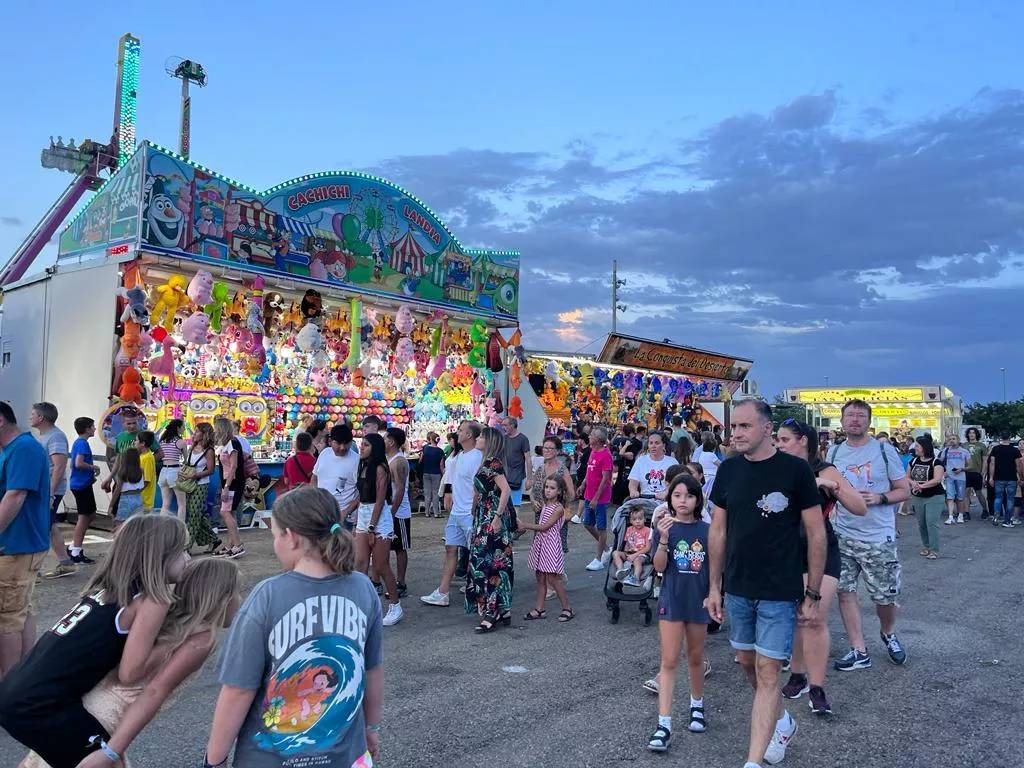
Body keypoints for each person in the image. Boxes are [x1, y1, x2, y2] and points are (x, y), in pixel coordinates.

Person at [204, 486, 383, 768]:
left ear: (292, 538)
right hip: (346, 757)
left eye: (275, 535)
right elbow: (371, 668)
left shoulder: (267, 596)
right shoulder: (363, 588)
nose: (274, 543)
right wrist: (371, 728)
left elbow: (238, 690)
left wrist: (213, 760)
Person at [0, 515, 188, 766]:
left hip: (17, 692)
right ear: (159, 555)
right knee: (109, 761)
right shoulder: (152, 600)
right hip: (38, 706)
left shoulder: (106, 591)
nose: (188, 559)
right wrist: (174, 643)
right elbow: (130, 673)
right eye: (182, 551)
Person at [704, 399, 826, 768]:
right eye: (733, 427)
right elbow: (718, 530)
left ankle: (753, 762)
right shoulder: (728, 470)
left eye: (744, 427)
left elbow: (816, 533)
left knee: (769, 671)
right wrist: (714, 587)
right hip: (738, 586)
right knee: (746, 661)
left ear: (766, 429)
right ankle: (781, 719)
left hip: (779, 588)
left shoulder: (795, 471)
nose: (736, 433)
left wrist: (813, 592)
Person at [44, 558, 240, 768]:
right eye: (236, 593)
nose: (240, 599)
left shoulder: (168, 620)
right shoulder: (200, 640)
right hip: (106, 718)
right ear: (221, 598)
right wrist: (111, 751)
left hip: (84, 707)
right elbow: (154, 691)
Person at [776, 419, 867, 716]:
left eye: (785, 439)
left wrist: (834, 487)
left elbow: (859, 507)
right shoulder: (776, 469)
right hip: (787, 551)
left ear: (803, 441)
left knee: (813, 618)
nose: (779, 444)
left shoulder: (825, 469)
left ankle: (817, 686)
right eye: (778, 439)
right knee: (797, 618)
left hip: (821, 549)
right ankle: (798, 675)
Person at [828, 399, 910, 671]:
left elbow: (904, 490)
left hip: (877, 536)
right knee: (844, 590)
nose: (854, 420)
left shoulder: (884, 451)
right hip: (842, 533)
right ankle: (858, 649)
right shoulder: (834, 451)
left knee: (885, 597)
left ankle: (888, 632)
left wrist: (880, 497)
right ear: (841, 421)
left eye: (860, 416)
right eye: (849, 415)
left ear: (869, 421)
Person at [647, 473, 712, 752]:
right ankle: (664, 724)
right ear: (670, 498)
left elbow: (715, 569)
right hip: (671, 600)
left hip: (698, 601)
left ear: (698, 499)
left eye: (688, 495)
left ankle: (696, 705)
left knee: (696, 657)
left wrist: (715, 596)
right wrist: (662, 538)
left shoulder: (708, 531)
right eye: (677, 495)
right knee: (669, 660)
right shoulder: (665, 528)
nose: (683, 500)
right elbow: (659, 567)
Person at [0, 402, 51, 677]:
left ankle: (7, 683)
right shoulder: (15, 448)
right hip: (18, 545)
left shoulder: (23, 449)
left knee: (7, 618)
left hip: (16, 545)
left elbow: (15, 496)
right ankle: (23, 676)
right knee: (20, 610)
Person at [421, 421, 483, 607]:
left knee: (475, 553)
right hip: (457, 512)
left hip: (469, 513)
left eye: (461, 430)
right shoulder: (459, 455)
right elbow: (452, 478)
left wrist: (474, 509)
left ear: (469, 435)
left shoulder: (477, 457)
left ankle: (479, 591)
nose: (458, 433)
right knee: (450, 548)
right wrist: (448, 494)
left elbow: (478, 487)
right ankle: (443, 592)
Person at [465, 427, 514, 632]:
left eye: (482, 437)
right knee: (484, 561)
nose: (478, 438)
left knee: (490, 564)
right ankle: (502, 609)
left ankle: (491, 611)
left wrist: (497, 516)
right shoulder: (486, 462)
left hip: (491, 520)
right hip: (483, 518)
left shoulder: (493, 462)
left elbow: (506, 490)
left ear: (490, 441)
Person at [355, 433, 402, 626]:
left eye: (366, 445)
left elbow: (381, 499)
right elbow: (361, 496)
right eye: (361, 445)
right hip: (364, 514)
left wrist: (372, 527)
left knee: (381, 565)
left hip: (379, 517)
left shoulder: (381, 468)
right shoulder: (362, 466)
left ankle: (395, 605)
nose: (361, 448)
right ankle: (361, 606)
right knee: (360, 563)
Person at [29, 403, 75, 581]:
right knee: (49, 526)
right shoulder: (44, 436)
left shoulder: (55, 437)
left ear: (41, 418)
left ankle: (33, 570)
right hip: (45, 489)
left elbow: (59, 465)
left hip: (50, 491)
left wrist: (50, 494)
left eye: (33, 414)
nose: (30, 417)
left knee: (40, 527)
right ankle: (66, 564)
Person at [520, 473, 573, 623]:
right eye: (546, 487)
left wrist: (525, 525)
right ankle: (540, 608)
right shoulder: (546, 505)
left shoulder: (558, 508)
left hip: (550, 544)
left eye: (552, 488)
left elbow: (544, 527)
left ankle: (567, 607)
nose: (548, 490)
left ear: (559, 491)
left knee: (553, 579)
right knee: (540, 577)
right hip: (541, 543)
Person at [530, 435, 576, 559]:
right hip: (540, 516)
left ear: (558, 451)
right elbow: (532, 492)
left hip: (556, 518)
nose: (547, 450)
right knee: (540, 553)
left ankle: (558, 577)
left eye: (551, 448)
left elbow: (572, 495)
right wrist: (533, 501)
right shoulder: (540, 469)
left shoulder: (562, 470)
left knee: (553, 555)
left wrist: (556, 501)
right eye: (545, 448)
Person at [180, 422, 220, 555]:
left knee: (194, 515)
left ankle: (187, 546)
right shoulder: (193, 447)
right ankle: (213, 539)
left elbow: (211, 470)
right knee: (195, 514)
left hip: (201, 484)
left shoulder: (209, 451)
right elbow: (188, 464)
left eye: (197, 431)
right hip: (189, 483)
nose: (194, 434)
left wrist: (196, 475)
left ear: (204, 434)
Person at [905, 435, 946, 559]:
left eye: (917, 446)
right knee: (921, 523)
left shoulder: (936, 462)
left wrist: (922, 486)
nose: (915, 448)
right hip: (918, 496)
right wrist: (913, 483)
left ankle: (934, 549)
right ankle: (926, 546)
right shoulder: (913, 461)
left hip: (934, 496)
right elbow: (907, 476)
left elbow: (937, 479)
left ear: (924, 447)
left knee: (931, 522)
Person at [68, 417, 101, 565]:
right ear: (87, 429)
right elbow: (78, 463)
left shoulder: (79, 443)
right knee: (84, 517)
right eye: (93, 427)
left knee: (90, 514)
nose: (94, 429)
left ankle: (75, 545)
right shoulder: (82, 444)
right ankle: (76, 549)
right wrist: (94, 467)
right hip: (81, 486)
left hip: (82, 483)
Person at [383, 427, 412, 598]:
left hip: (398, 512)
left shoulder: (399, 461)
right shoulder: (388, 458)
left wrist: (392, 512)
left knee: (400, 548)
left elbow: (400, 489)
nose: (383, 441)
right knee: (385, 547)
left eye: (385, 439)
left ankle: (401, 583)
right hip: (387, 510)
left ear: (391, 442)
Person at [581, 427, 614, 571]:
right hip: (589, 494)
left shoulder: (606, 455)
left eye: (592, 435)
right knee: (587, 523)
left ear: (598, 440)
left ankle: (599, 558)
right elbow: (589, 471)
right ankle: (607, 549)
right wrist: (583, 484)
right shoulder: (593, 452)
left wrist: (596, 498)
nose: (589, 436)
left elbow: (605, 479)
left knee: (601, 528)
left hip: (600, 498)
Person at [213, 417, 246, 558]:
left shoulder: (232, 443)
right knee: (229, 513)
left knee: (225, 512)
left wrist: (226, 486)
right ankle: (230, 544)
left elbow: (233, 467)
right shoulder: (228, 444)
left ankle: (237, 544)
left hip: (233, 483)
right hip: (230, 482)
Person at [628, 432, 679, 499]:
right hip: (644, 499)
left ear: (663, 445)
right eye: (651, 443)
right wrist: (633, 491)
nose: (653, 446)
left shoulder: (672, 462)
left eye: (657, 443)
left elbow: (677, 483)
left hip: (664, 501)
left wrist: (667, 494)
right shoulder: (641, 460)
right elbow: (633, 481)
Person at [987, 434, 1023, 528]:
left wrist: (991, 477)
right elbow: (1018, 465)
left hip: (999, 477)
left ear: (1000, 437)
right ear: (1010, 438)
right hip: (1011, 478)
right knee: (1010, 499)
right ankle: (1007, 520)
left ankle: (996, 514)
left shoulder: (995, 449)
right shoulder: (1014, 450)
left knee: (998, 497)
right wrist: (1020, 477)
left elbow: (992, 463)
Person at [612, 506, 653, 587]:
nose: (637, 521)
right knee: (615, 553)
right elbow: (627, 544)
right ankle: (621, 570)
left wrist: (634, 555)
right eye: (634, 519)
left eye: (640, 519)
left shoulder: (647, 530)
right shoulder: (629, 529)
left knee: (637, 560)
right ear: (630, 521)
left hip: (642, 554)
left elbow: (648, 548)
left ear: (645, 519)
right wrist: (626, 554)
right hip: (630, 553)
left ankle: (636, 578)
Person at [156, 420, 187, 520]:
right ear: (178, 428)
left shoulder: (162, 441)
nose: (184, 429)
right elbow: (186, 461)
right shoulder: (181, 442)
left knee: (165, 504)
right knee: (181, 504)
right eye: (183, 426)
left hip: (163, 471)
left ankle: (161, 527)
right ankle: (180, 529)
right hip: (175, 471)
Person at [502, 416, 531, 515]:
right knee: (504, 501)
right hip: (505, 474)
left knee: (515, 503)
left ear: (512, 425)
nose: (503, 427)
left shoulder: (523, 439)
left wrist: (529, 479)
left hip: (517, 475)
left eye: (505, 425)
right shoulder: (504, 438)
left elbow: (528, 459)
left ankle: (514, 524)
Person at [939, 434, 970, 524]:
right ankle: (950, 516)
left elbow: (970, 465)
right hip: (949, 476)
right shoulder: (946, 450)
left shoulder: (964, 451)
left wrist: (961, 469)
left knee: (960, 497)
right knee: (950, 497)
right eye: (950, 439)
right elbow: (940, 461)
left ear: (958, 440)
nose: (952, 440)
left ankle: (960, 515)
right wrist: (943, 471)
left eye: (954, 439)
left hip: (960, 477)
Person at [114, 449, 146, 525]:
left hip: (125, 498)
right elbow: (142, 485)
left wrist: (111, 505)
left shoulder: (122, 471)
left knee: (120, 524)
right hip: (138, 497)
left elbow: (117, 490)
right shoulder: (141, 470)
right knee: (136, 524)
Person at [613, 425, 642, 504]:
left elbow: (631, 456)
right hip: (623, 468)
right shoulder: (631, 441)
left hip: (629, 469)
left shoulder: (633, 442)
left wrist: (622, 450)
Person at [963, 427, 988, 519]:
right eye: (970, 433)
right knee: (966, 493)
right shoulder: (964, 445)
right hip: (966, 472)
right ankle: (966, 512)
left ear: (976, 434)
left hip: (977, 472)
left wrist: (983, 472)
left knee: (979, 493)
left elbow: (985, 460)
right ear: (968, 434)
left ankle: (985, 510)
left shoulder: (981, 445)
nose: (971, 434)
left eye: (973, 433)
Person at [420, 432, 445, 518]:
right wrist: (444, 475)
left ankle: (427, 512)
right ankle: (436, 513)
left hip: (426, 472)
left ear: (430, 439)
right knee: (435, 493)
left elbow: (421, 460)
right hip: (436, 473)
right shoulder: (440, 451)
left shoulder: (425, 448)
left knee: (427, 493)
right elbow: (441, 465)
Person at [135, 432, 157, 512]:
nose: (134, 442)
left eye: (136, 440)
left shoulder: (147, 458)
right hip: (141, 500)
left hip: (145, 501)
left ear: (142, 443)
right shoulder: (142, 456)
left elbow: (147, 480)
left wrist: (135, 492)